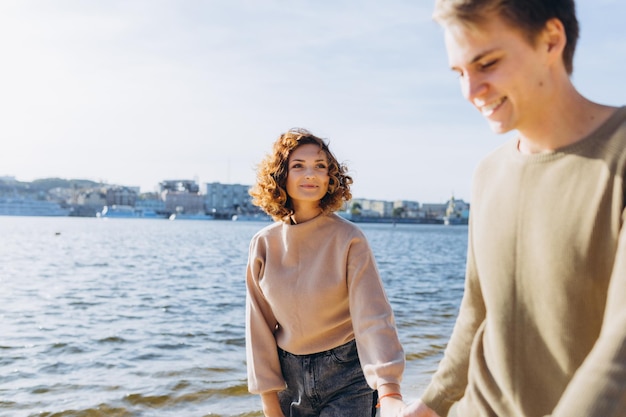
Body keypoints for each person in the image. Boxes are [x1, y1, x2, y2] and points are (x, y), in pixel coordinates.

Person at [401, 1, 626, 416]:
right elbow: (476, 311)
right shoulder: (487, 174)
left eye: (486, 63)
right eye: (459, 73)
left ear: (551, 40)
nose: (470, 92)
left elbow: (620, 351)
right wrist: (431, 403)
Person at [245, 128, 406, 417]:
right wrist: (270, 405)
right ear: (280, 175)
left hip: (348, 376)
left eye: (320, 166)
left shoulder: (349, 238)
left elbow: (373, 316)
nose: (311, 174)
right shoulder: (263, 244)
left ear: (330, 177)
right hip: (288, 380)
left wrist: (389, 388)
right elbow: (259, 330)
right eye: (298, 166)